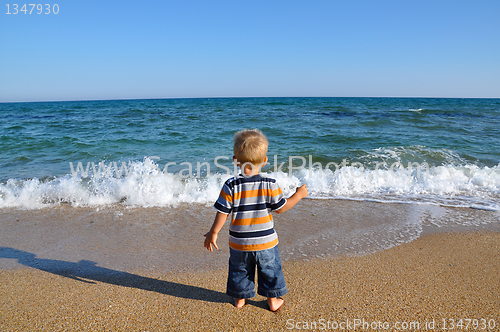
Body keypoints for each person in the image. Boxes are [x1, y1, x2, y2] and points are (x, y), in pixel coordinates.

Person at [204, 129, 308, 312]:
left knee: (240, 271)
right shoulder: (270, 183)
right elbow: (281, 208)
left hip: (239, 243)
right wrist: (298, 195)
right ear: (265, 160)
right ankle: (273, 300)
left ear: (235, 159)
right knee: (270, 271)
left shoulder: (231, 184)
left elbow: (222, 212)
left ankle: (240, 299)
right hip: (266, 242)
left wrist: (213, 232)